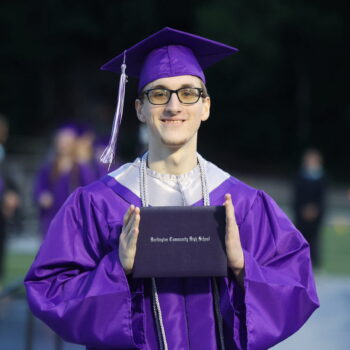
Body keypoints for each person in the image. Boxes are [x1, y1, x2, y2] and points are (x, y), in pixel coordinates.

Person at [25, 27, 319, 350]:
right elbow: (48, 290)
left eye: (188, 93)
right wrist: (116, 269)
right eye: (159, 93)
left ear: (206, 107)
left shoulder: (244, 205)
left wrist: (242, 266)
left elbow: (298, 286)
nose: (174, 106)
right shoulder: (97, 205)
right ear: (139, 109)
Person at [294, 148, 326, 268]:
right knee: (301, 237)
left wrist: (315, 209)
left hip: (316, 214)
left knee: (315, 238)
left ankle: (315, 262)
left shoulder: (322, 177)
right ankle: (301, 260)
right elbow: (297, 196)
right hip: (301, 214)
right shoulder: (300, 176)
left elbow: (322, 197)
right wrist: (303, 210)